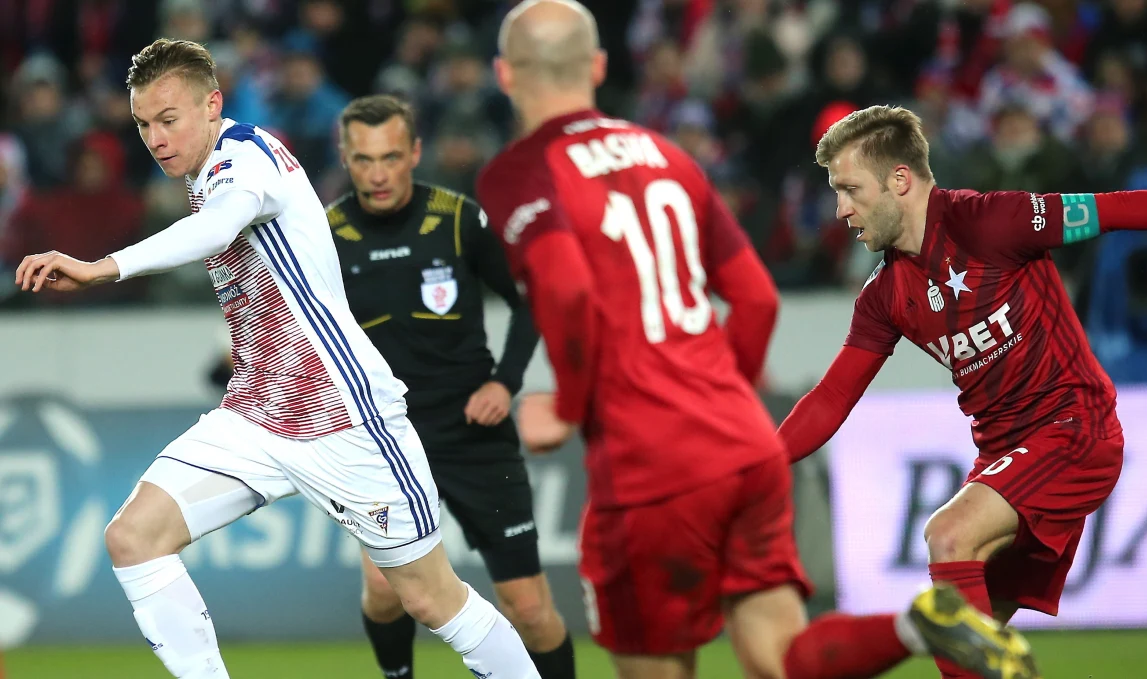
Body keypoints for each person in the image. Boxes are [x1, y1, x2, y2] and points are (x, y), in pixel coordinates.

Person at [474, 3, 1040, 679]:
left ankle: (917, 623)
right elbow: (756, 297)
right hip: (742, 440)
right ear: (597, 67)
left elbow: (565, 290)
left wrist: (566, 407)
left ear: (506, 74)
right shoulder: (668, 156)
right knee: (781, 659)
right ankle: (913, 624)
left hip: (646, 462)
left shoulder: (519, 172)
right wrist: (717, 397)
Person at [13, 39, 539, 679]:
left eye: (169, 119)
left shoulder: (247, 158)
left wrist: (103, 268)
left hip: (345, 416)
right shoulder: (202, 175)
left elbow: (216, 229)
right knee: (132, 537)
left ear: (213, 105)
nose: (155, 137)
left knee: (432, 598)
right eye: (144, 124)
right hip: (257, 412)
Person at [778, 103, 1147, 679]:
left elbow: (1116, 210)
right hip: (1003, 457)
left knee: (947, 535)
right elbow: (830, 398)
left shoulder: (992, 222)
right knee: (966, 630)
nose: (840, 210)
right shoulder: (883, 296)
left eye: (850, 189)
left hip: (1075, 429)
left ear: (899, 180)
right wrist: (762, 460)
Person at [328, 93, 575, 679]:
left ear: (415, 152)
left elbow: (531, 300)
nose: (378, 173)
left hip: (473, 437)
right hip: (382, 443)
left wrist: (505, 382)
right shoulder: (324, 235)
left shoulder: (463, 219)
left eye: (390, 156)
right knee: (386, 594)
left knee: (530, 608)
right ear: (345, 157)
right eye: (363, 160)